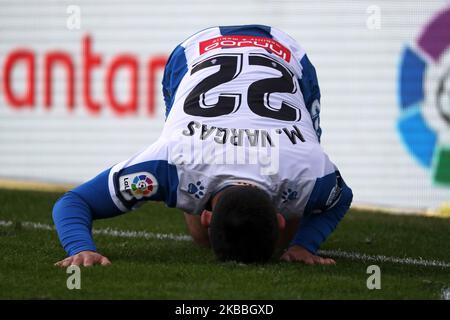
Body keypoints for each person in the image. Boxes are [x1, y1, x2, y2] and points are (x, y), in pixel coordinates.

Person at [53, 25, 353, 267]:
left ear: (208, 216)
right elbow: (340, 198)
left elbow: (74, 202)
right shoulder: (309, 172)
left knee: (220, 237)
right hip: (200, 55)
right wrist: (303, 246)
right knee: (263, 241)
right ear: (279, 216)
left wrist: (82, 248)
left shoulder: (171, 163)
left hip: (270, 57)